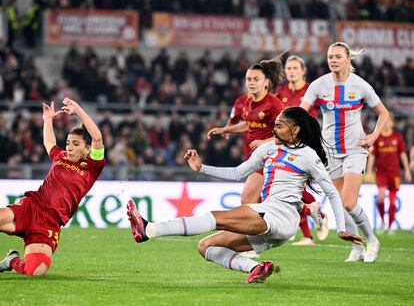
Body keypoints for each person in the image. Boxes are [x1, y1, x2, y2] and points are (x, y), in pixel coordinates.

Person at [126, 107, 363, 283]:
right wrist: (201, 168)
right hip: (273, 222)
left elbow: (332, 191)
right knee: (207, 247)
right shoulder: (268, 149)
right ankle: (255, 268)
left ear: (296, 130)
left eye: (280, 125)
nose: (274, 128)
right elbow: (239, 172)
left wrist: (341, 227)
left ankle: (149, 230)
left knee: (216, 216)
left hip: (279, 215)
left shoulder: (308, 155)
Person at [300, 42, 389, 262]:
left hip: (355, 149)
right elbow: (302, 112)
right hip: (330, 150)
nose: (333, 60)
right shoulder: (319, 85)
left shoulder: (360, 85)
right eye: (330, 56)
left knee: (348, 202)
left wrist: (374, 135)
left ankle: (372, 241)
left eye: (338, 56)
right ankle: (357, 247)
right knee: (339, 203)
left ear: (348, 59)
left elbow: (383, 113)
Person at [0, 98, 106, 276]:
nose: (69, 147)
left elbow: (97, 137)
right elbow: (49, 142)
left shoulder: (93, 167)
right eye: (68, 143)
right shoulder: (61, 157)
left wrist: (78, 109)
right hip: (32, 207)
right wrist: (48, 119)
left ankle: (12, 261)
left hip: (50, 223)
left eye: (75, 144)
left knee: (35, 270)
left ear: (88, 149)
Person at [207, 57, 285, 205]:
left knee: (247, 200)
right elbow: (250, 124)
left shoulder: (274, 105)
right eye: (249, 79)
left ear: (266, 82)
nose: (251, 82)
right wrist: (225, 129)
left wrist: (264, 142)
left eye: (256, 79)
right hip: (256, 157)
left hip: (271, 158)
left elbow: (287, 134)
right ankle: (310, 209)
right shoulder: (249, 102)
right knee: (263, 202)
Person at [278, 55, 328, 246]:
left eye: (294, 68)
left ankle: (311, 226)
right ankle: (311, 227)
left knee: (295, 188)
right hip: (286, 145)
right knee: (294, 189)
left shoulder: (311, 90)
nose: (291, 71)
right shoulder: (281, 92)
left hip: (306, 145)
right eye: (288, 68)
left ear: (303, 71)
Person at [366, 114, 411, 234]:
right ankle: (382, 221)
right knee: (380, 198)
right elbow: (372, 156)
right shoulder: (378, 137)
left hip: (394, 173)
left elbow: (402, 154)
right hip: (381, 172)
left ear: (393, 123)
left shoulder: (397, 137)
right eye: (384, 121)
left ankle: (390, 226)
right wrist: (369, 171)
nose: (386, 123)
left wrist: (406, 170)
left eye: (389, 121)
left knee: (392, 201)